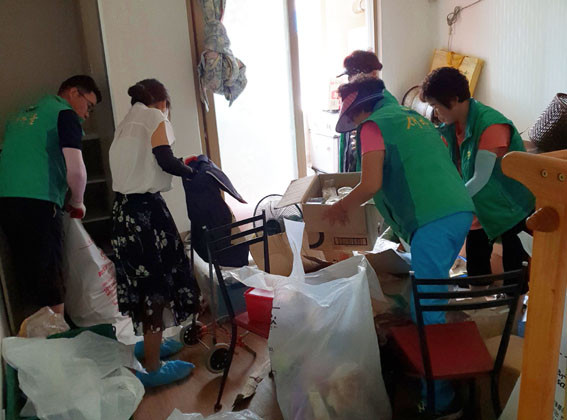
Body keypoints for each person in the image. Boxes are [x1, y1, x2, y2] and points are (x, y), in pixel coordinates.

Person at [323, 76, 474, 418]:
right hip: (458, 211)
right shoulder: (413, 118)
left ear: (360, 109)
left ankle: (441, 402)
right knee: (425, 297)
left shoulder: (373, 126)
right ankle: (429, 374)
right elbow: (413, 173)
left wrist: (339, 208)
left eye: (354, 115)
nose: (355, 123)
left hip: (433, 220)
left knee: (428, 310)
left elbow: (370, 183)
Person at [109, 79, 200, 387]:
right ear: (163, 102)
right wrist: (191, 170)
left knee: (142, 283)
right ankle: (153, 366)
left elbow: (149, 162)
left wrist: (180, 164)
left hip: (123, 213)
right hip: (145, 216)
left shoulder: (126, 124)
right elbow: (164, 158)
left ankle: (151, 346)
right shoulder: (154, 116)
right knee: (155, 288)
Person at [0, 75, 100, 318]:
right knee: (49, 274)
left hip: (6, 200)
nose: (87, 115)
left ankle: (36, 333)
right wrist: (78, 202)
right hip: (39, 200)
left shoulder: (19, 116)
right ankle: (56, 335)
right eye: (89, 106)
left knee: (26, 273)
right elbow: (76, 170)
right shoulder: (65, 114)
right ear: (73, 93)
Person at [420, 67, 534, 278]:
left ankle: (514, 299)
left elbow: (480, 178)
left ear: (453, 100)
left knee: (514, 271)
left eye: (436, 106)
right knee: (476, 267)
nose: (435, 113)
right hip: (478, 206)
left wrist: (447, 204)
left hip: (508, 207)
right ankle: (480, 294)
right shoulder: (451, 126)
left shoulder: (491, 125)